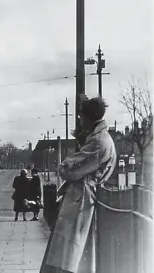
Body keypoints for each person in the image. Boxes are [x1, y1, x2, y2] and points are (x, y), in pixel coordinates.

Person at [40, 96, 116, 273]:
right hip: (82, 199)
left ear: (89, 117)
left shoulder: (98, 141)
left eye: (81, 116)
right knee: (70, 254)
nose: (80, 120)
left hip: (80, 201)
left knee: (68, 255)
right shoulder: (99, 138)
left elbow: (70, 169)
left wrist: (63, 165)